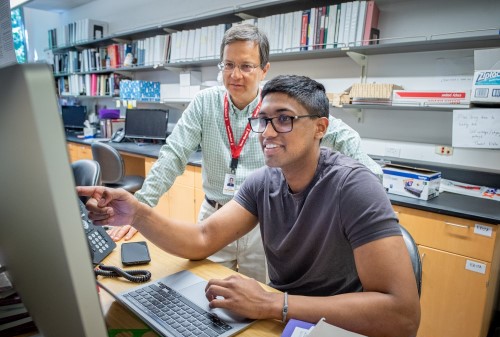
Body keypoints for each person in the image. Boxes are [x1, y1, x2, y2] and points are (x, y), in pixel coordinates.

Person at [79, 74, 420, 337]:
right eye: (263, 119)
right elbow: (202, 238)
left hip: (344, 334)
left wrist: (274, 303)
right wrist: (137, 213)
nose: (267, 132)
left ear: (320, 128)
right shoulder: (263, 181)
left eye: (284, 119)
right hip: (289, 322)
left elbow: (401, 316)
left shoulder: (354, 186)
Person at [109, 23, 382, 284]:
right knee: (206, 295)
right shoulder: (206, 103)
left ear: (264, 70)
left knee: (261, 301)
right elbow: (173, 154)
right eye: (228, 65)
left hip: (265, 222)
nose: (235, 75)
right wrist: (142, 206)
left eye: (246, 66)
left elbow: (340, 133)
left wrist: (371, 182)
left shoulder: (276, 105)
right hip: (215, 216)